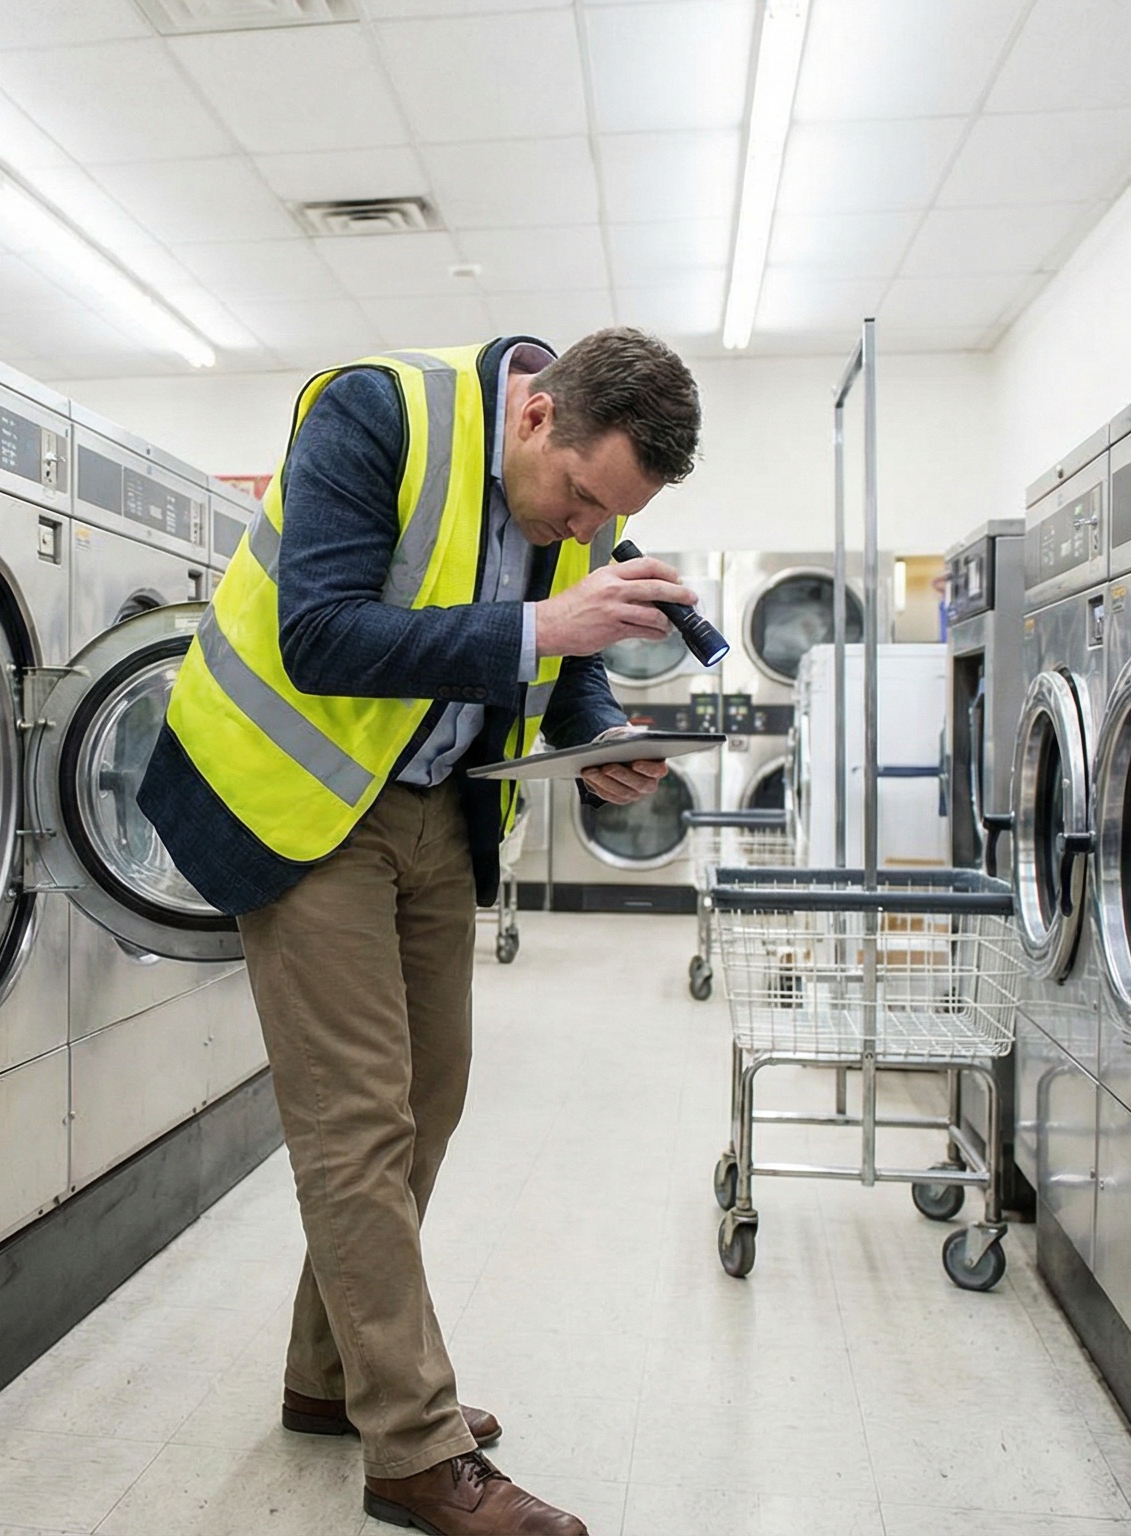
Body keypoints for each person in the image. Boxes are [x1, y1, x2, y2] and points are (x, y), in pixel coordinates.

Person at [137, 328, 703, 1535]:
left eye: (608, 520)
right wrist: (547, 634)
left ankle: (328, 1375)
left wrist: (597, 734)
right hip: (298, 804)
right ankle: (413, 1445)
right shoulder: (372, 412)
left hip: (439, 808)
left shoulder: (576, 500)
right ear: (538, 418)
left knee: (426, 1100)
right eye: (580, 500)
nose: (580, 531)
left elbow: (562, 648)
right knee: (354, 1120)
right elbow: (320, 633)